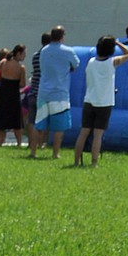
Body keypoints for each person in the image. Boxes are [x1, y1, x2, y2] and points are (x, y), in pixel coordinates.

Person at [73, 36, 128, 166]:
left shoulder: (91, 61)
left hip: (89, 101)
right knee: (98, 135)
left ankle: (76, 161)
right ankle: (94, 162)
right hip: (104, 103)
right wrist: (118, 43)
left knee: (83, 133)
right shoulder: (112, 62)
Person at [31, 24, 80, 159]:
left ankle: (33, 152)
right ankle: (55, 153)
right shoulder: (68, 51)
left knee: (38, 125)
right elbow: (76, 64)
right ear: (62, 36)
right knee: (59, 127)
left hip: (43, 93)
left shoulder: (44, 51)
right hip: (60, 94)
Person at [0, 44, 27, 146]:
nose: (25, 56)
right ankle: (19, 143)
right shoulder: (21, 67)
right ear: (18, 53)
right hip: (14, 93)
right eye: (24, 53)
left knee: (1, 119)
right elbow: (22, 84)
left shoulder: (4, 62)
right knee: (16, 120)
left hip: (3, 92)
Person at [25, 31, 51, 146]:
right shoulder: (49, 56)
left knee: (31, 120)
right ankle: (40, 143)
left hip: (33, 90)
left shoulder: (35, 55)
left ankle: (31, 142)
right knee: (43, 120)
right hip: (44, 92)